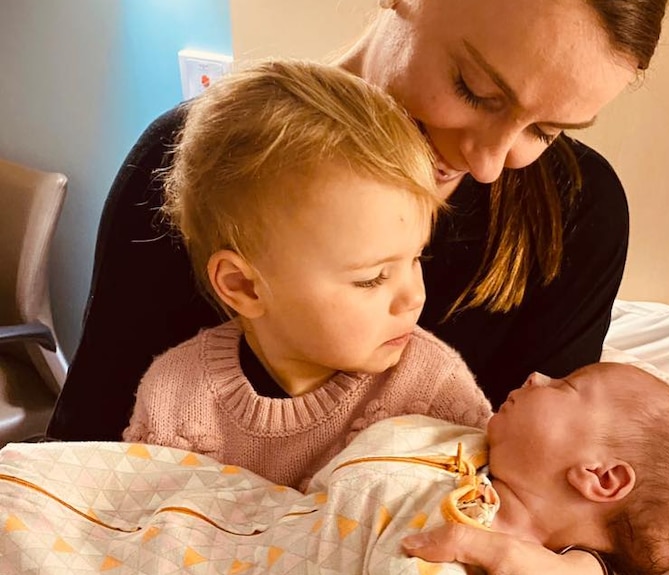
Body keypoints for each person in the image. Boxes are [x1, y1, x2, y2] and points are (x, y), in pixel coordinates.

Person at [48, 0, 669, 571]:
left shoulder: (577, 213)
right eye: (476, 89)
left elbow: (568, 506)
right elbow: (85, 472)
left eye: (548, 130)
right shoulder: (208, 171)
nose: (487, 162)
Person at [121, 59, 493, 490]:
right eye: (372, 278)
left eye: (415, 259)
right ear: (243, 285)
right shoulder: (175, 400)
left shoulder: (433, 392)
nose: (413, 296)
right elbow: (145, 536)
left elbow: (481, 520)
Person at [1, 363, 669, 575]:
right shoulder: (471, 445)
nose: (535, 373)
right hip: (232, 507)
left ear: (601, 478)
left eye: (564, 387)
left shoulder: (486, 544)